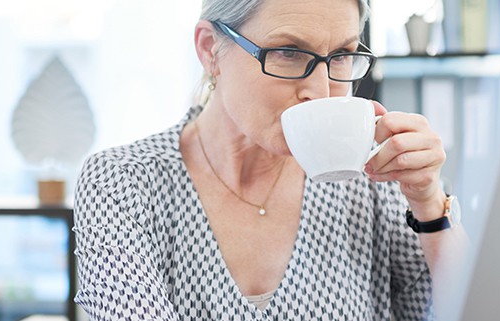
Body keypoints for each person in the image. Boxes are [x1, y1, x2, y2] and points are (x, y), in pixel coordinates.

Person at [73, 0, 468, 319]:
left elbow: (465, 309)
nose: (322, 90)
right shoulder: (123, 183)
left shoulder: (370, 180)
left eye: (343, 55)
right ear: (211, 49)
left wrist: (428, 201)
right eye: (289, 53)